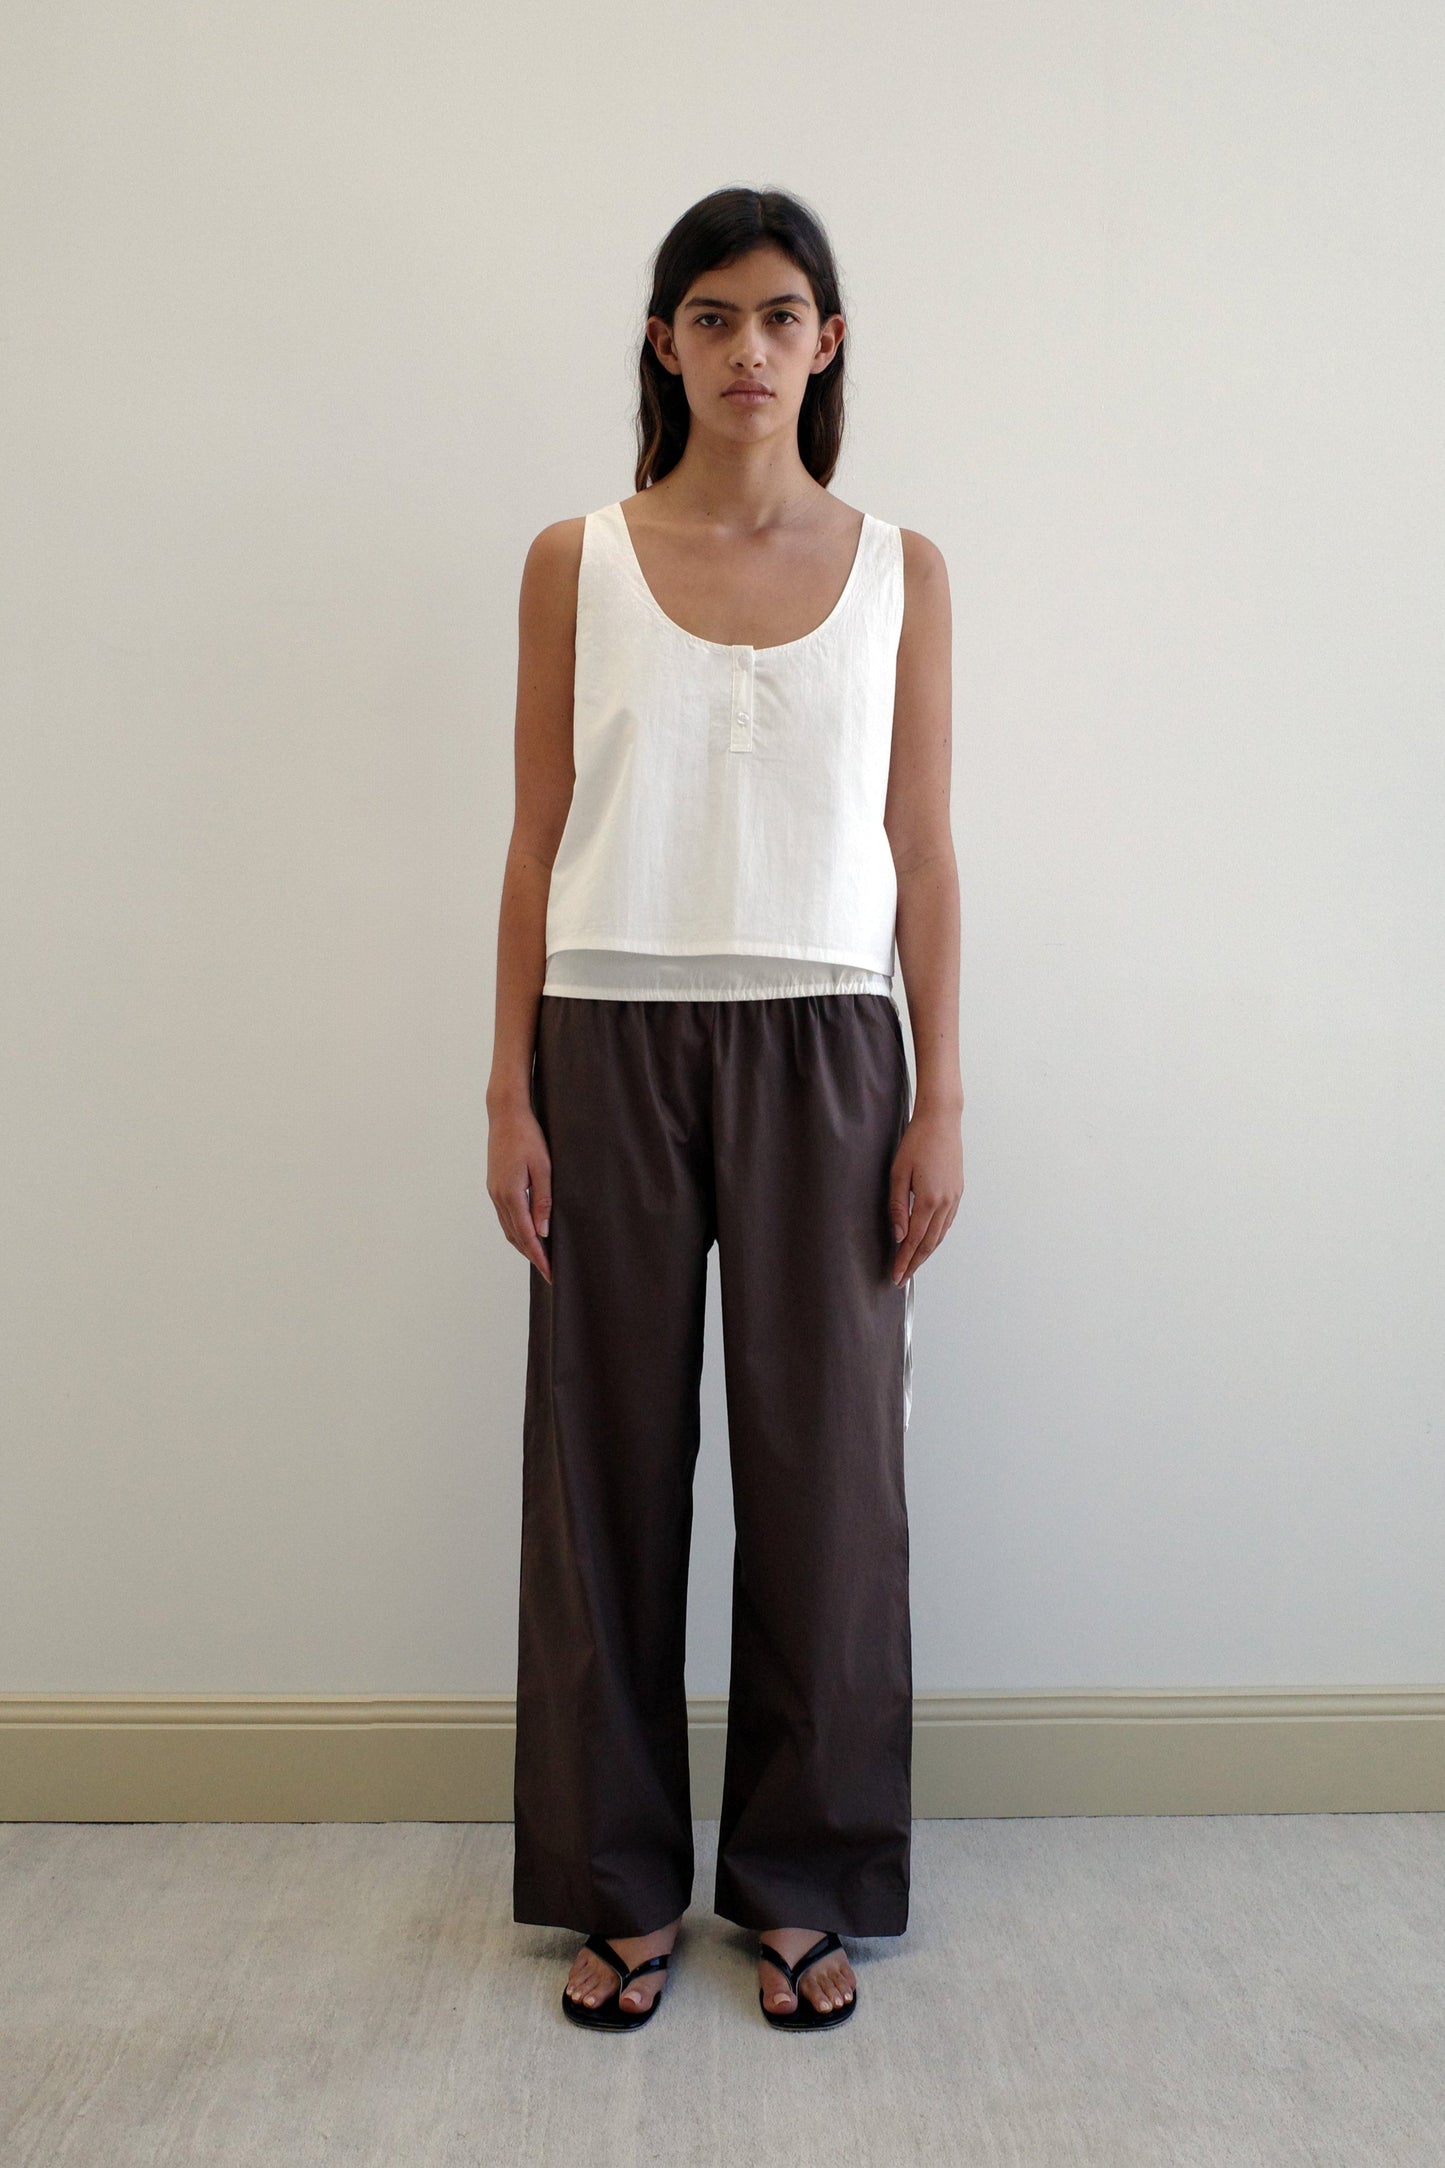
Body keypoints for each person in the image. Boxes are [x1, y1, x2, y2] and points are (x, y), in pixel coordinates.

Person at [486, 183, 963, 2033]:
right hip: (605, 1030)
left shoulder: (905, 568)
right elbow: (533, 836)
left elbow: (921, 849)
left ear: (823, 343)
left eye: (780, 315)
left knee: (827, 1483)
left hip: (833, 1044)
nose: (745, 347)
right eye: (709, 315)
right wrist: (505, 1084)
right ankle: (612, 1883)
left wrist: (940, 1101)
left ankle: (801, 1877)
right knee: (599, 1473)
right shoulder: (571, 559)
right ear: (663, 345)